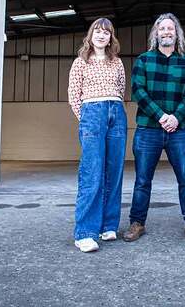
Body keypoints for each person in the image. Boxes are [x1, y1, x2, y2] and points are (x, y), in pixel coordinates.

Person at [123, 13, 185, 242]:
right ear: (155, 34)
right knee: (142, 180)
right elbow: (139, 92)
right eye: (162, 29)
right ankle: (137, 223)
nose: (167, 32)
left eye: (171, 28)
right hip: (148, 129)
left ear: (177, 33)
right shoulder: (144, 60)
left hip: (179, 130)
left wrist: (176, 117)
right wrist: (161, 117)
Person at [67, 18, 127, 253]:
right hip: (92, 112)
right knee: (92, 171)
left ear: (111, 37)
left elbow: (121, 89)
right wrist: (87, 119)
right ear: (90, 35)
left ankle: (108, 225)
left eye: (106, 32)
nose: (102, 35)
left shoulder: (117, 62)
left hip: (116, 112)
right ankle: (85, 233)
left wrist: (112, 109)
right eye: (98, 31)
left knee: (114, 170)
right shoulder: (80, 62)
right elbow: (74, 95)